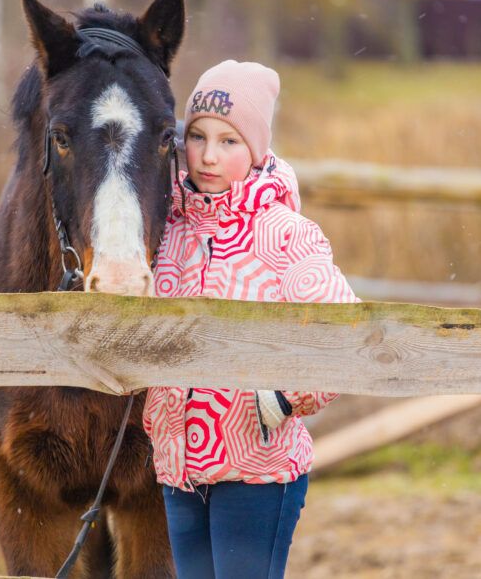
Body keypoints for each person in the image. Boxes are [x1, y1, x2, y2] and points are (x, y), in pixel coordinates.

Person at [144, 60, 360, 579]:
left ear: (257, 149)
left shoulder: (285, 235)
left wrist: (284, 398)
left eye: (229, 141)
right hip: (178, 471)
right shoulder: (165, 230)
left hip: (257, 472)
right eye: (197, 137)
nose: (208, 156)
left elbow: (346, 335)